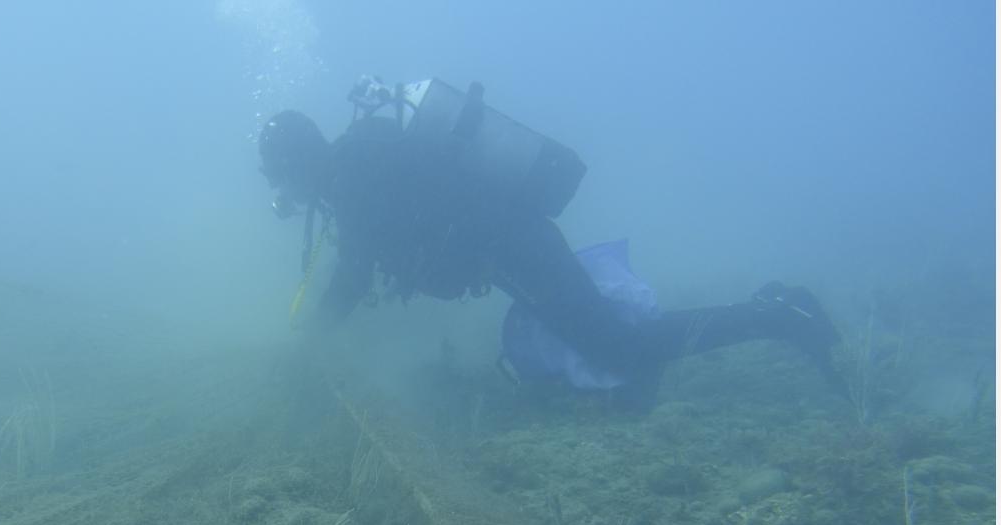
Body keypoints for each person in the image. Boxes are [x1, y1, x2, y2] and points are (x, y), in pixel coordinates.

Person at [257, 77, 843, 412]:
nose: (289, 195)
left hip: (516, 245)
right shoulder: (361, 155)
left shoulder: (354, 170)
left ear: (299, 164)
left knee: (621, 349)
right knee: (601, 343)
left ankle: (779, 315)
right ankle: (757, 311)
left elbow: (356, 274)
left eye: (285, 179)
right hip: (510, 246)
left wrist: (311, 338)